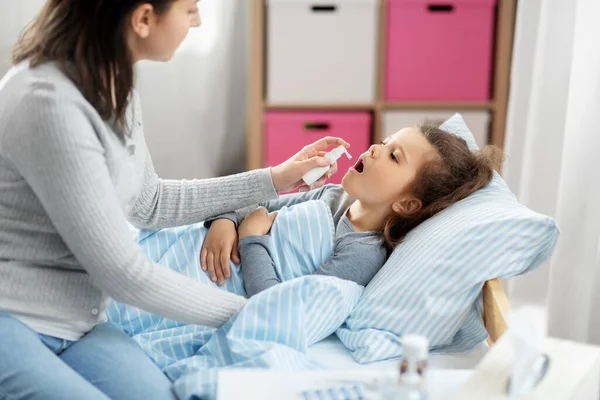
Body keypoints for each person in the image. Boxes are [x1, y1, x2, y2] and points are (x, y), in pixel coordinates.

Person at [0, 1, 348, 399]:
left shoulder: (113, 82)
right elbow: (123, 273)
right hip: (13, 316)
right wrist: (246, 312)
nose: (197, 20)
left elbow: (150, 201)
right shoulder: (49, 103)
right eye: (190, 8)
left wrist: (276, 177)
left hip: (78, 322)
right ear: (144, 18)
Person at [202, 120, 502, 296]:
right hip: (204, 248)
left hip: (215, 281)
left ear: (407, 203)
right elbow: (258, 203)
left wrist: (251, 239)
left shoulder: (362, 254)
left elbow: (280, 305)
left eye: (393, 156)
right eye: (385, 142)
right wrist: (226, 220)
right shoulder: (334, 197)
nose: (375, 148)